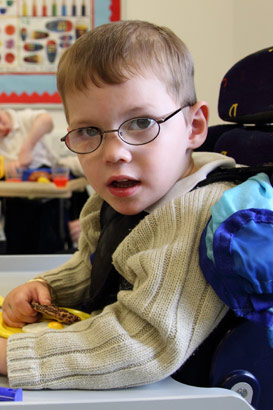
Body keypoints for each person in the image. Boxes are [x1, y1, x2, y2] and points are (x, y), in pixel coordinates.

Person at [0, 20, 244, 389]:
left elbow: (141, 341)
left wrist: (10, 356)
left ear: (193, 128)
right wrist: (46, 288)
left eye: (141, 122)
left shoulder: (203, 211)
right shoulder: (109, 200)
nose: (114, 153)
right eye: (87, 131)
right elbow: (93, 269)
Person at [0, 107, 86, 253]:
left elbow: (46, 120)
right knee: (19, 242)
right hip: (17, 196)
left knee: (50, 236)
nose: (2, 128)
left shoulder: (23, 118)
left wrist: (26, 149)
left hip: (48, 182)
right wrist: (9, 166)